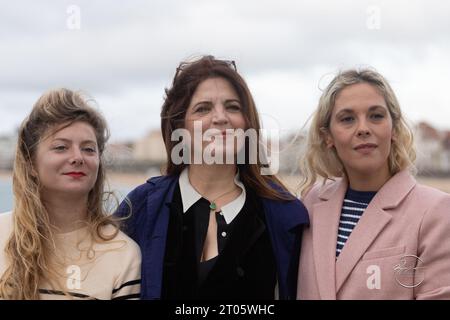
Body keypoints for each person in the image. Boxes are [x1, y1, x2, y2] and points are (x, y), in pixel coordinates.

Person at [116, 55, 309, 300]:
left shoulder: (286, 215)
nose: (220, 117)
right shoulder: (140, 209)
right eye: (203, 108)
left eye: (232, 107)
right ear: (179, 127)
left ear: (247, 123)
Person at [297, 68, 450, 299]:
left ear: (394, 129)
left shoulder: (436, 212)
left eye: (376, 115)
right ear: (328, 136)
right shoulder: (310, 204)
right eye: (347, 119)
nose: (363, 129)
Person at [0, 89, 141, 300]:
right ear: (30, 163)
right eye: (61, 147)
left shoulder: (122, 253)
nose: (77, 157)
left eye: (88, 149)